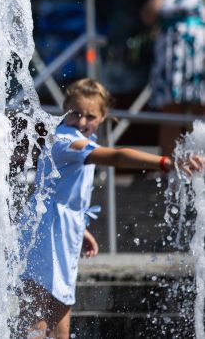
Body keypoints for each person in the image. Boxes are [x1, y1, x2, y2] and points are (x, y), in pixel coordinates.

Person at [18, 78, 205, 339]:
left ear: (103, 117)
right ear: (65, 109)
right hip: (43, 235)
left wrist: (80, 229)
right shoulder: (65, 140)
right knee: (38, 318)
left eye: (90, 116)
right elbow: (116, 156)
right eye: (75, 113)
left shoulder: (84, 140)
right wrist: (166, 162)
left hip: (62, 232)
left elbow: (65, 193)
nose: (82, 121)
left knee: (59, 315)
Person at [141, 0, 205, 155]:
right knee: (170, 111)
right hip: (169, 58)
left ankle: (200, 159)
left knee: (199, 109)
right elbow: (148, 17)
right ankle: (169, 163)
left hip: (196, 56)